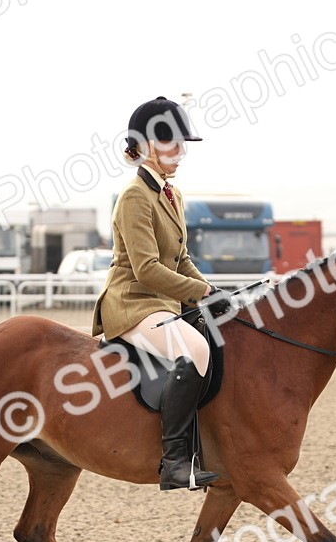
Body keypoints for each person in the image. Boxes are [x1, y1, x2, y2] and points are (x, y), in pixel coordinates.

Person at [92, 96, 231, 491]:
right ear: (149, 145)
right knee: (196, 350)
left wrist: (213, 292)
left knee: (222, 335)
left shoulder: (172, 194)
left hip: (162, 302)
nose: (182, 152)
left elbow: (181, 258)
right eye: (173, 143)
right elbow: (148, 269)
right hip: (132, 304)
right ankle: (173, 462)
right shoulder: (134, 198)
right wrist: (201, 291)